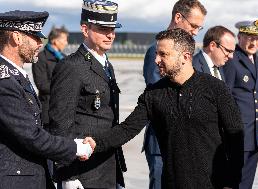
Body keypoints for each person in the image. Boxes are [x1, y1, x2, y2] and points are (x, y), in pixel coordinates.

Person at [91, 28, 244, 189]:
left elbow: (235, 137)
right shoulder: (153, 93)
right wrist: (96, 143)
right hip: (171, 183)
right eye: (157, 53)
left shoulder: (215, 88)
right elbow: (127, 129)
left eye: (163, 54)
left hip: (214, 183)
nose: (156, 59)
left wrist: (232, 182)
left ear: (185, 56)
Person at [0, 10, 95, 189]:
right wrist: (75, 148)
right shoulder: (4, 82)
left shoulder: (15, 76)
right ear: (16, 38)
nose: (39, 43)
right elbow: (32, 136)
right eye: (35, 37)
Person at [48, 0, 126, 188]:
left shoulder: (106, 65)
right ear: (85, 29)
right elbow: (60, 124)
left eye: (112, 29)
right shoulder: (71, 66)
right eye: (102, 29)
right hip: (84, 171)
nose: (110, 35)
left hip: (107, 165)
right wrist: (68, 174)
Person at [142, 1, 207, 188]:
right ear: (178, 17)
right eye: (193, 25)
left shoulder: (188, 53)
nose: (195, 31)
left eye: (199, 28)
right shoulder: (156, 52)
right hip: (162, 142)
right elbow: (162, 95)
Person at [223, 19, 258, 189]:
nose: (254, 42)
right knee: (233, 183)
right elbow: (226, 98)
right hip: (238, 135)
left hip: (254, 136)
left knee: (247, 183)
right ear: (240, 37)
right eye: (250, 37)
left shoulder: (255, 60)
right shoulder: (233, 60)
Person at [32, 26, 69, 129]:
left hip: (64, 110)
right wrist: (64, 87)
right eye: (64, 40)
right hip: (47, 110)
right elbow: (42, 85)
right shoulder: (40, 58)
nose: (66, 43)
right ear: (54, 41)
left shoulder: (65, 58)